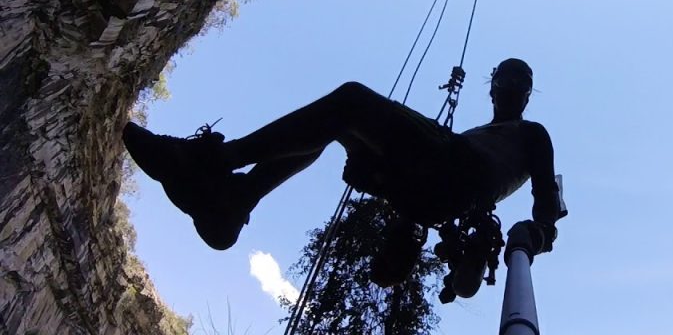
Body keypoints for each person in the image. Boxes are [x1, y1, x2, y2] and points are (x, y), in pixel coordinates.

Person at [123, 58, 564, 287]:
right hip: (433, 186)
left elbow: (548, 198)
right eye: (503, 79)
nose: (506, 88)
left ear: (525, 95)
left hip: (454, 173)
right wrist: (382, 187)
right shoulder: (482, 133)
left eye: (514, 83)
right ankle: (236, 201)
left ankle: (214, 162)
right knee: (335, 129)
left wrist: (539, 233)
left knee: (352, 101)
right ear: (494, 87)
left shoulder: (532, 134)